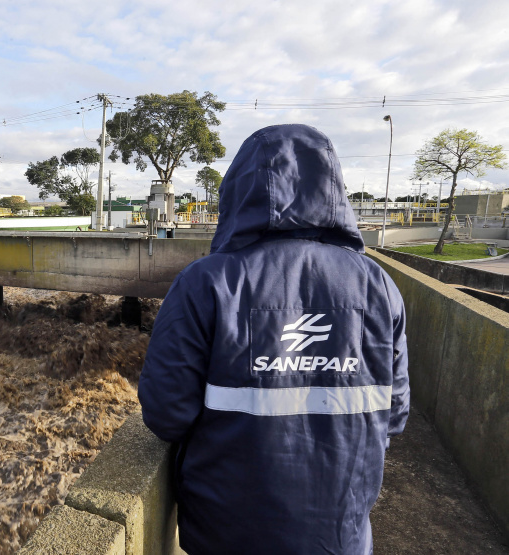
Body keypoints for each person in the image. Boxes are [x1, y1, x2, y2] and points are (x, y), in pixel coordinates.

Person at [138, 124, 409, 554]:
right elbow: (393, 414)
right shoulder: (379, 288)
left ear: (239, 192)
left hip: (225, 535)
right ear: (333, 188)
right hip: (341, 537)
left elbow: (165, 412)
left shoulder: (205, 283)